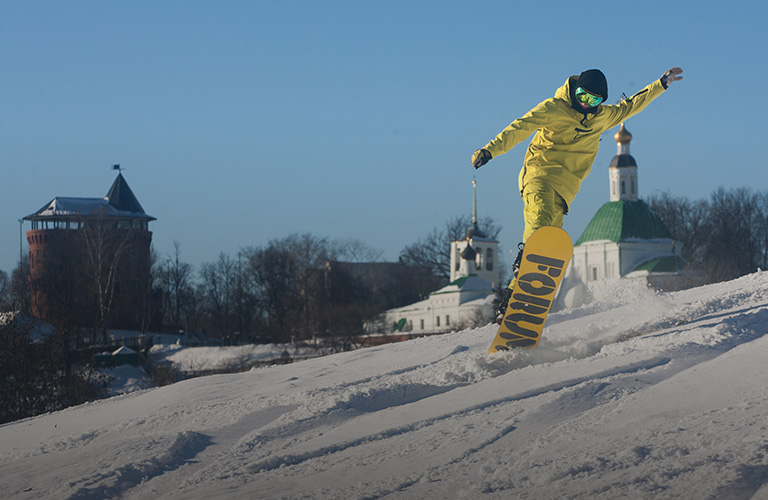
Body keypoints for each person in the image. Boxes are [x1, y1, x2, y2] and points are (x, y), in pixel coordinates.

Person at [471, 67, 683, 319]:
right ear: (575, 90)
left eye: (593, 100)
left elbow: (632, 105)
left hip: (564, 189)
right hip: (538, 176)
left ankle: (517, 301)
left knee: (550, 239)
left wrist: (661, 84)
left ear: (600, 101)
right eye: (582, 95)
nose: (585, 103)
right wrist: (489, 150)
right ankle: (522, 271)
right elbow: (520, 127)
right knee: (539, 225)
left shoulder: (603, 117)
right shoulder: (554, 108)